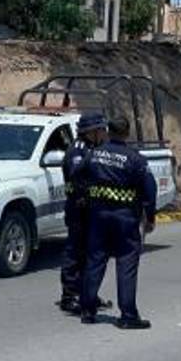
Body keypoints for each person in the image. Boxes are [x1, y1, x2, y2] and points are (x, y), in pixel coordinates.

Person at [79, 117, 158, 329]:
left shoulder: (94, 154)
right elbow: (150, 190)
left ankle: (87, 311)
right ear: (127, 133)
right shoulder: (135, 159)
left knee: (95, 261)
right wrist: (150, 217)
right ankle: (128, 316)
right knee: (126, 264)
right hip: (125, 219)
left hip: (98, 217)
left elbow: (78, 176)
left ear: (108, 131)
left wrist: (86, 199)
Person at [57, 113, 110, 314]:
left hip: (92, 208)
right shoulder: (77, 150)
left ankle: (88, 294)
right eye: (101, 130)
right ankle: (70, 296)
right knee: (76, 252)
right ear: (91, 131)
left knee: (91, 254)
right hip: (79, 208)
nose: (104, 133)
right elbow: (77, 176)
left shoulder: (94, 148)